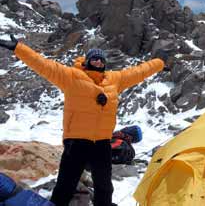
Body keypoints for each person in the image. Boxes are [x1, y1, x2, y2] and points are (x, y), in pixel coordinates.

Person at [0, 35, 169, 206]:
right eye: (95, 59)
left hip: (102, 143)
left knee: (104, 186)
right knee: (66, 185)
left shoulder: (114, 80)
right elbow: (43, 65)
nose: (98, 63)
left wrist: (159, 62)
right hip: (77, 142)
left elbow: (138, 72)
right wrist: (18, 48)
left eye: (101, 60)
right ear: (87, 61)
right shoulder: (71, 77)